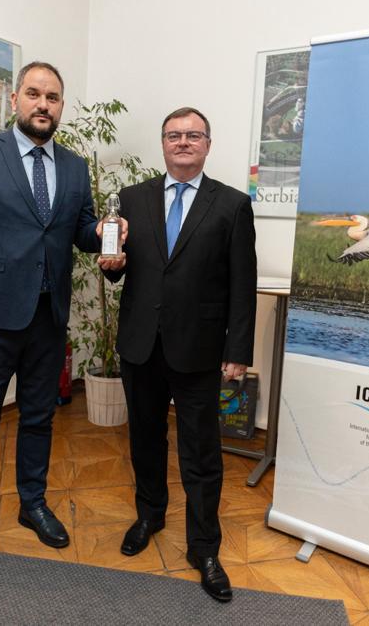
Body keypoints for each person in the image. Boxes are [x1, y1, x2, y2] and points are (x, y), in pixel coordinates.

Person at [0, 61, 124, 574]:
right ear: (16, 99)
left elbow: (81, 230)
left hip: (48, 317)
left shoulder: (73, 165)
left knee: (40, 419)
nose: (44, 105)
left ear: (62, 107)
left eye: (54, 97)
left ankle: (33, 504)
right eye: (35, 94)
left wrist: (109, 234)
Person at [100, 107, 256, 602]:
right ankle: (149, 515)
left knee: (201, 452)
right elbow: (118, 271)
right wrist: (111, 265)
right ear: (163, 144)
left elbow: (242, 284)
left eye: (193, 135)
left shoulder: (231, 205)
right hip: (141, 344)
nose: (183, 142)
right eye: (174, 135)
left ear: (208, 144)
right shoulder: (133, 198)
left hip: (200, 349)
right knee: (145, 439)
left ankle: (203, 547)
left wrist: (238, 350)